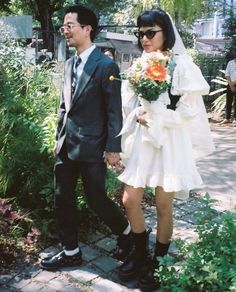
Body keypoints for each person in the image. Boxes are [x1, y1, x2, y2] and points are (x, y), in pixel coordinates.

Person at [117, 9, 215, 290]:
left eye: (150, 33)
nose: (144, 39)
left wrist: (158, 119)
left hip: (169, 141)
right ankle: (139, 252)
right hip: (143, 140)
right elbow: (130, 100)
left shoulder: (182, 64)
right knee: (130, 200)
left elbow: (189, 111)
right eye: (140, 33)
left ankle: (157, 262)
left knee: (163, 205)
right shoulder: (140, 63)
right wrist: (138, 114)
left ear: (165, 32)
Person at [40, 4, 133, 270]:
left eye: (70, 26)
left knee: (96, 199)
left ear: (87, 29)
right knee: (62, 197)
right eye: (63, 27)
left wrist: (113, 148)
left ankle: (126, 232)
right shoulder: (69, 64)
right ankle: (70, 251)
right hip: (66, 146)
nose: (65, 31)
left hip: (93, 146)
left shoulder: (106, 66)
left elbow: (114, 111)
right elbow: (64, 106)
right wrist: (58, 138)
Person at [220, 54, 236, 125]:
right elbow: (227, 74)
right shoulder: (230, 62)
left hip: (233, 82)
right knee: (228, 101)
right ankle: (227, 118)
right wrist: (231, 84)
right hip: (230, 84)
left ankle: (235, 119)